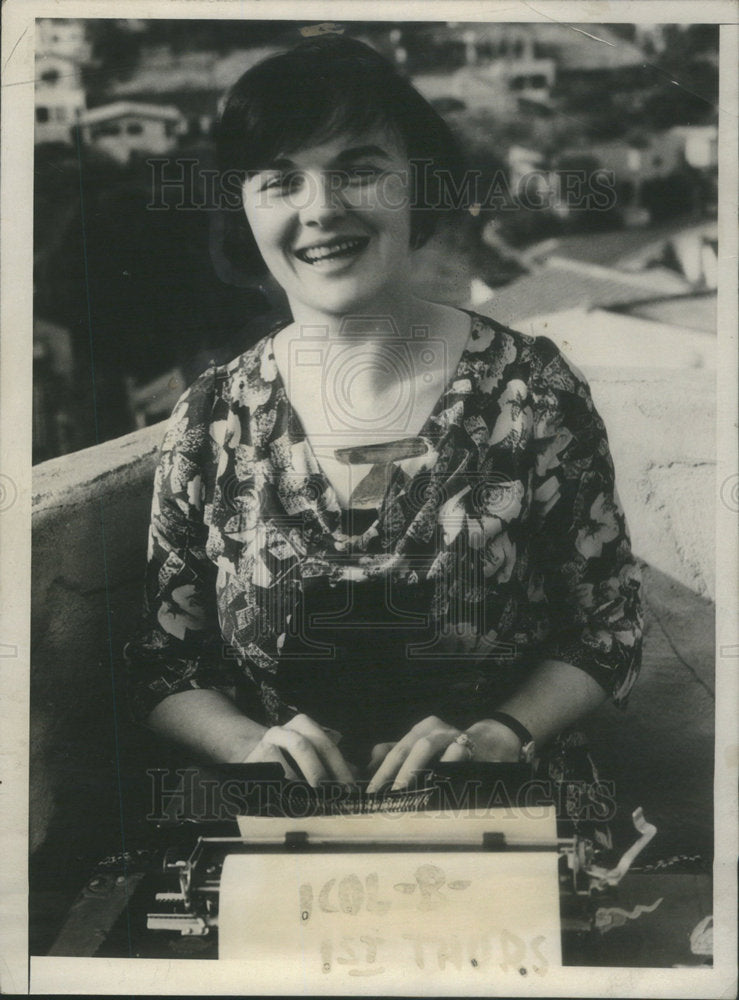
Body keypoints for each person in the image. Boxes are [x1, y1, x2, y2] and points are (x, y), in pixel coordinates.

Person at [124, 36, 642, 794]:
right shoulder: (210, 418)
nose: (321, 209)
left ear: (418, 186)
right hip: (287, 845)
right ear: (244, 206)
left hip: (504, 823)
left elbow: (608, 630)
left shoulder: (531, 391)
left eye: (358, 170)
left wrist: (501, 731)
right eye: (279, 181)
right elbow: (164, 664)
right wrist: (247, 746)